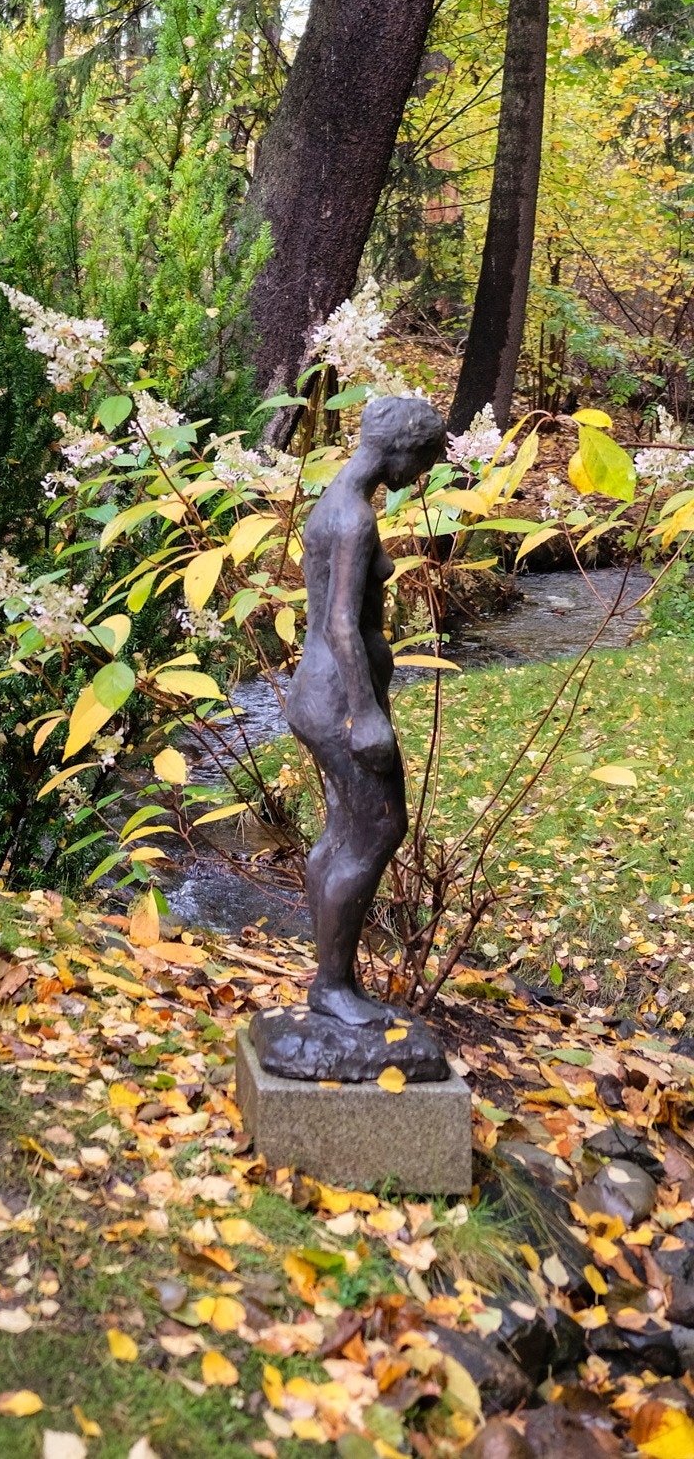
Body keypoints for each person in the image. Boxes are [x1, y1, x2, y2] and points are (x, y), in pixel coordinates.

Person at [288, 394, 446, 1027]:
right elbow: (342, 625)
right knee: (379, 828)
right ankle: (332, 986)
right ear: (403, 451)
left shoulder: (333, 500)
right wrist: (366, 715)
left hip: (318, 689)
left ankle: (332, 980)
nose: (422, 476)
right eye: (425, 460)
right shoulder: (353, 518)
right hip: (337, 698)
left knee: (341, 832)